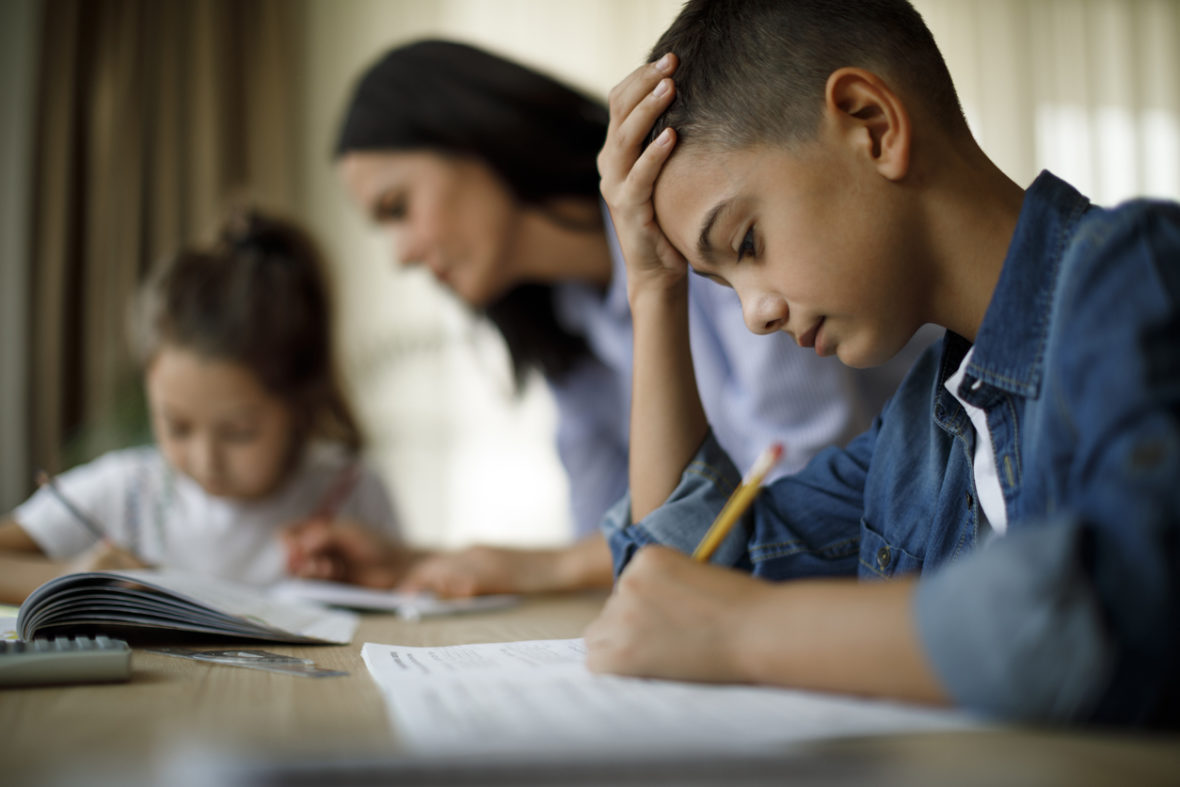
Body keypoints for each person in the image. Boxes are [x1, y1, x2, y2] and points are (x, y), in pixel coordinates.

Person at [584, 0, 1180, 726]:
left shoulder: (1135, 272)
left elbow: (1128, 607)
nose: (756, 314)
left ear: (872, 123)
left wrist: (745, 631)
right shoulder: (920, 425)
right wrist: (653, 287)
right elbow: (683, 584)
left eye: (745, 244)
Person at [285, 39, 929, 597]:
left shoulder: (705, 231)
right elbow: (606, 526)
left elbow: (793, 495)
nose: (401, 254)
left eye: (397, 207)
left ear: (470, 136)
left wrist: (554, 567)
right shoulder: (568, 322)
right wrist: (418, 562)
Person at [0, 211, 409, 604]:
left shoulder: (352, 492)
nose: (205, 459)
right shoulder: (126, 493)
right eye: (177, 426)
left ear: (299, 404)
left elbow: (412, 599)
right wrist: (70, 576)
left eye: (238, 432)